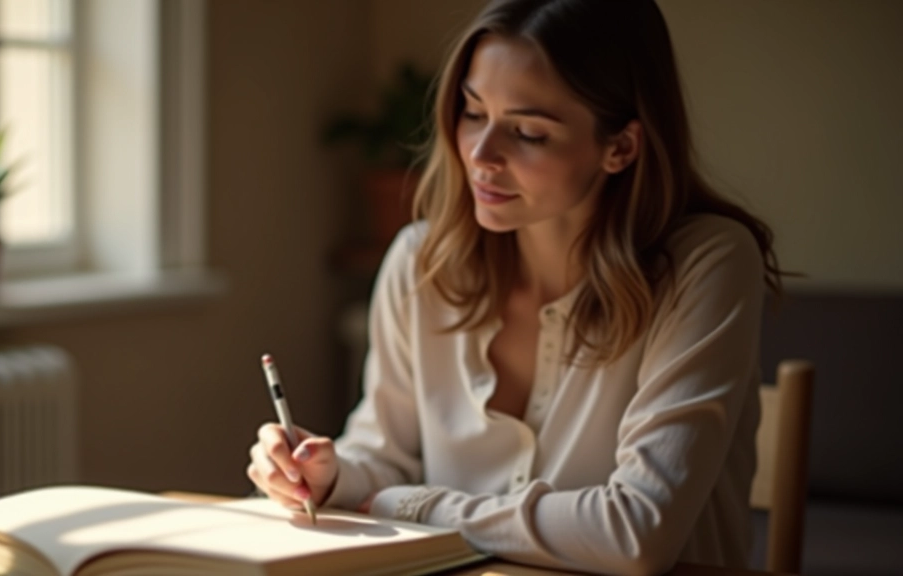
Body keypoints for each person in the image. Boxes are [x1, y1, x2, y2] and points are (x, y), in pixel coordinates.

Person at [248, 0, 786, 573]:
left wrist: (406, 505)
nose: (480, 155)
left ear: (621, 147)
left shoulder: (707, 263)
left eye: (528, 132)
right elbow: (385, 455)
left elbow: (638, 532)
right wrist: (329, 477)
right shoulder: (420, 262)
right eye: (473, 112)